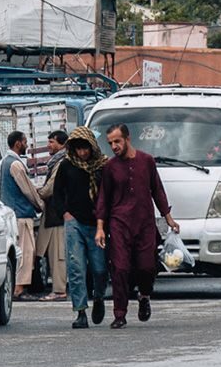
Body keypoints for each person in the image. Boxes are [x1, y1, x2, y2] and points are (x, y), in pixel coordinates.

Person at [96, 125, 179, 329]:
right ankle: (120, 314)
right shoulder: (110, 168)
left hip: (144, 223)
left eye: (117, 142)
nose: (114, 146)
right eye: (110, 143)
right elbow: (103, 199)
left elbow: (157, 190)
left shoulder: (147, 161)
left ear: (127, 139)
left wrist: (168, 218)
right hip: (119, 223)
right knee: (120, 269)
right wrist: (100, 227)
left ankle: (144, 296)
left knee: (147, 267)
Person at [55, 128, 108, 329]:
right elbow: (57, 193)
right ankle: (80, 311)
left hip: (97, 224)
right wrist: (65, 213)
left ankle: (100, 297)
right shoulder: (67, 166)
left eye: (85, 149)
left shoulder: (102, 167)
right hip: (74, 222)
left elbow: (109, 194)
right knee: (76, 267)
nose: (82, 153)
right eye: (78, 149)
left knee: (99, 268)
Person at [0, 131, 43, 300]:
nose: (26, 145)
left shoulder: (4, 162)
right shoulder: (16, 165)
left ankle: (17, 287)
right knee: (25, 252)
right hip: (21, 214)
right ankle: (19, 288)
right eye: (25, 142)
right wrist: (40, 205)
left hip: (10, 213)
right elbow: (28, 190)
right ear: (18, 143)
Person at [34, 131, 69, 301]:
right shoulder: (56, 161)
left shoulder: (61, 162)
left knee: (58, 254)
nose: (49, 145)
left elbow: (50, 188)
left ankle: (59, 290)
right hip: (54, 214)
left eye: (52, 142)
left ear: (62, 144)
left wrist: (37, 193)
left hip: (57, 214)